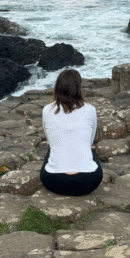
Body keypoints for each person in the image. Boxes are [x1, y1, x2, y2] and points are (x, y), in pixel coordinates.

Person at [40, 68, 103, 196]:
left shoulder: (47, 109)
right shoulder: (91, 109)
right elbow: (90, 141)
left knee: (51, 149)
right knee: (90, 149)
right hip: (88, 182)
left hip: (53, 181)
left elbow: (49, 140)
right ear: (78, 88)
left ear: (57, 87)